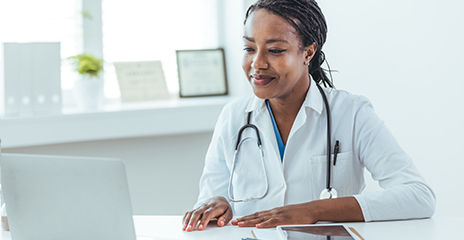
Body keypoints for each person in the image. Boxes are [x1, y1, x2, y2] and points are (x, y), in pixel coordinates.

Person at [183, 0, 435, 232]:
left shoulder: (352, 112)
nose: (257, 63)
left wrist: (312, 211)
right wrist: (215, 205)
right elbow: (212, 198)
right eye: (249, 48)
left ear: (308, 52)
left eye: (275, 50)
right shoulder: (233, 117)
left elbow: (418, 195)